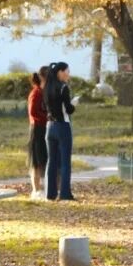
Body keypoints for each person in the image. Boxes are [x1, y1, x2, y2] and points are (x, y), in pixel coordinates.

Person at [43, 62, 78, 200]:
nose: (68, 74)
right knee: (65, 162)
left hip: (49, 126)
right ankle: (65, 193)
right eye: (67, 71)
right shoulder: (63, 87)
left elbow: (44, 107)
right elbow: (68, 109)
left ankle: (50, 193)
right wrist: (74, 103)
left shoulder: (46, 87)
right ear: (60, 72)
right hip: (63, 125)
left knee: (51, 161)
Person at [27, 66, 49, 199]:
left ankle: (45, 188)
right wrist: (47, 117)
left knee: (44, 159)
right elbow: (33, 112)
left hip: (45, 128)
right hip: (37, 129)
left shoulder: (45, 92)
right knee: (36, 161)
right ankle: (36, 189)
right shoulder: (36, 93)